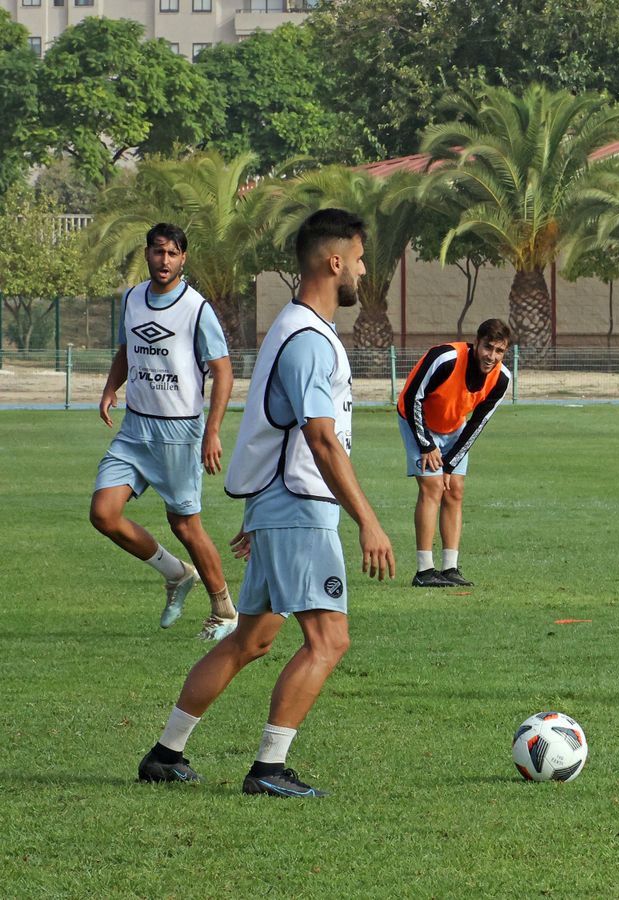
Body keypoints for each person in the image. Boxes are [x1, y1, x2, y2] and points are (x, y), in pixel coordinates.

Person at [137, 208, 395, 798]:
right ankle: (269, 770)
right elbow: (320, 437)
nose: (362, 269)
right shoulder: (307, 338)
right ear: (334, 262)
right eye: (358, 259)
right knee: (329, 640)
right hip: (299, 507)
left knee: (250, 639)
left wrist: (264, 514)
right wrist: (369, 523)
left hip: (282, 508)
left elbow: (277, 431)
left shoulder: (298, 328)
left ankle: (165, 753)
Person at [91, 223, 238, 641]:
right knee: (103, 513)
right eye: (158, 252)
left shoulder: (196, 308)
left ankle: (225, 610)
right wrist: (109, 388)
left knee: (185, 525)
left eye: (173, 253)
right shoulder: (133, 298)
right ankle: (176, 573)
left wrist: (212, 431)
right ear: (147, 254)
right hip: (135, 428)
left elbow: (223, 372)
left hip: (179, 433)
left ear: (183, 258)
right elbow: (127, 349)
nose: (164, 260)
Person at [396, 319, 513, 588]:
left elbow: (477, 423)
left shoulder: (502, 378)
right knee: (432, 486)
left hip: (454, 426)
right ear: (476, 342)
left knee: (455, 488)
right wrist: (426, 444)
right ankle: (424, 571)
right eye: (488, 347)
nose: (491, 356)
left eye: (499, 351)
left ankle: (450, 568)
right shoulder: (446, 357)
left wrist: (451, 463)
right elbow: (412, 395)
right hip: (417, 421)